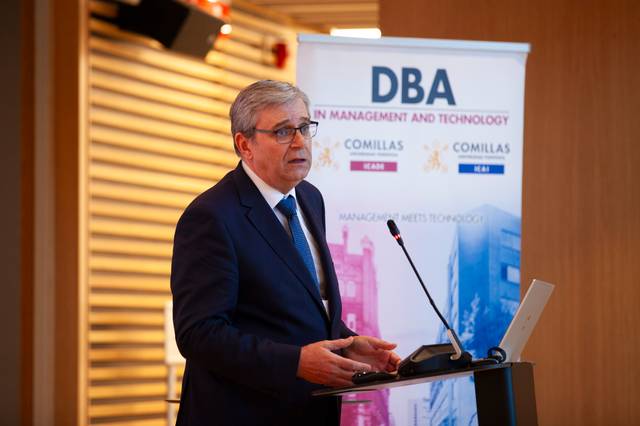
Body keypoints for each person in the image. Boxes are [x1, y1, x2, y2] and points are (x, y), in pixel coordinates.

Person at [171, 80, 401, 426]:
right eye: (282, 131)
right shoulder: (212, 216)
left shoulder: (310, 198)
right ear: (244, 144)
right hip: (242, 413)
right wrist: (295, 362)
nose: (299, 142)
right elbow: (199, 334)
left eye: (305, 128)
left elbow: (300, 304)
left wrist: (346, 344)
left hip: (310, 410)